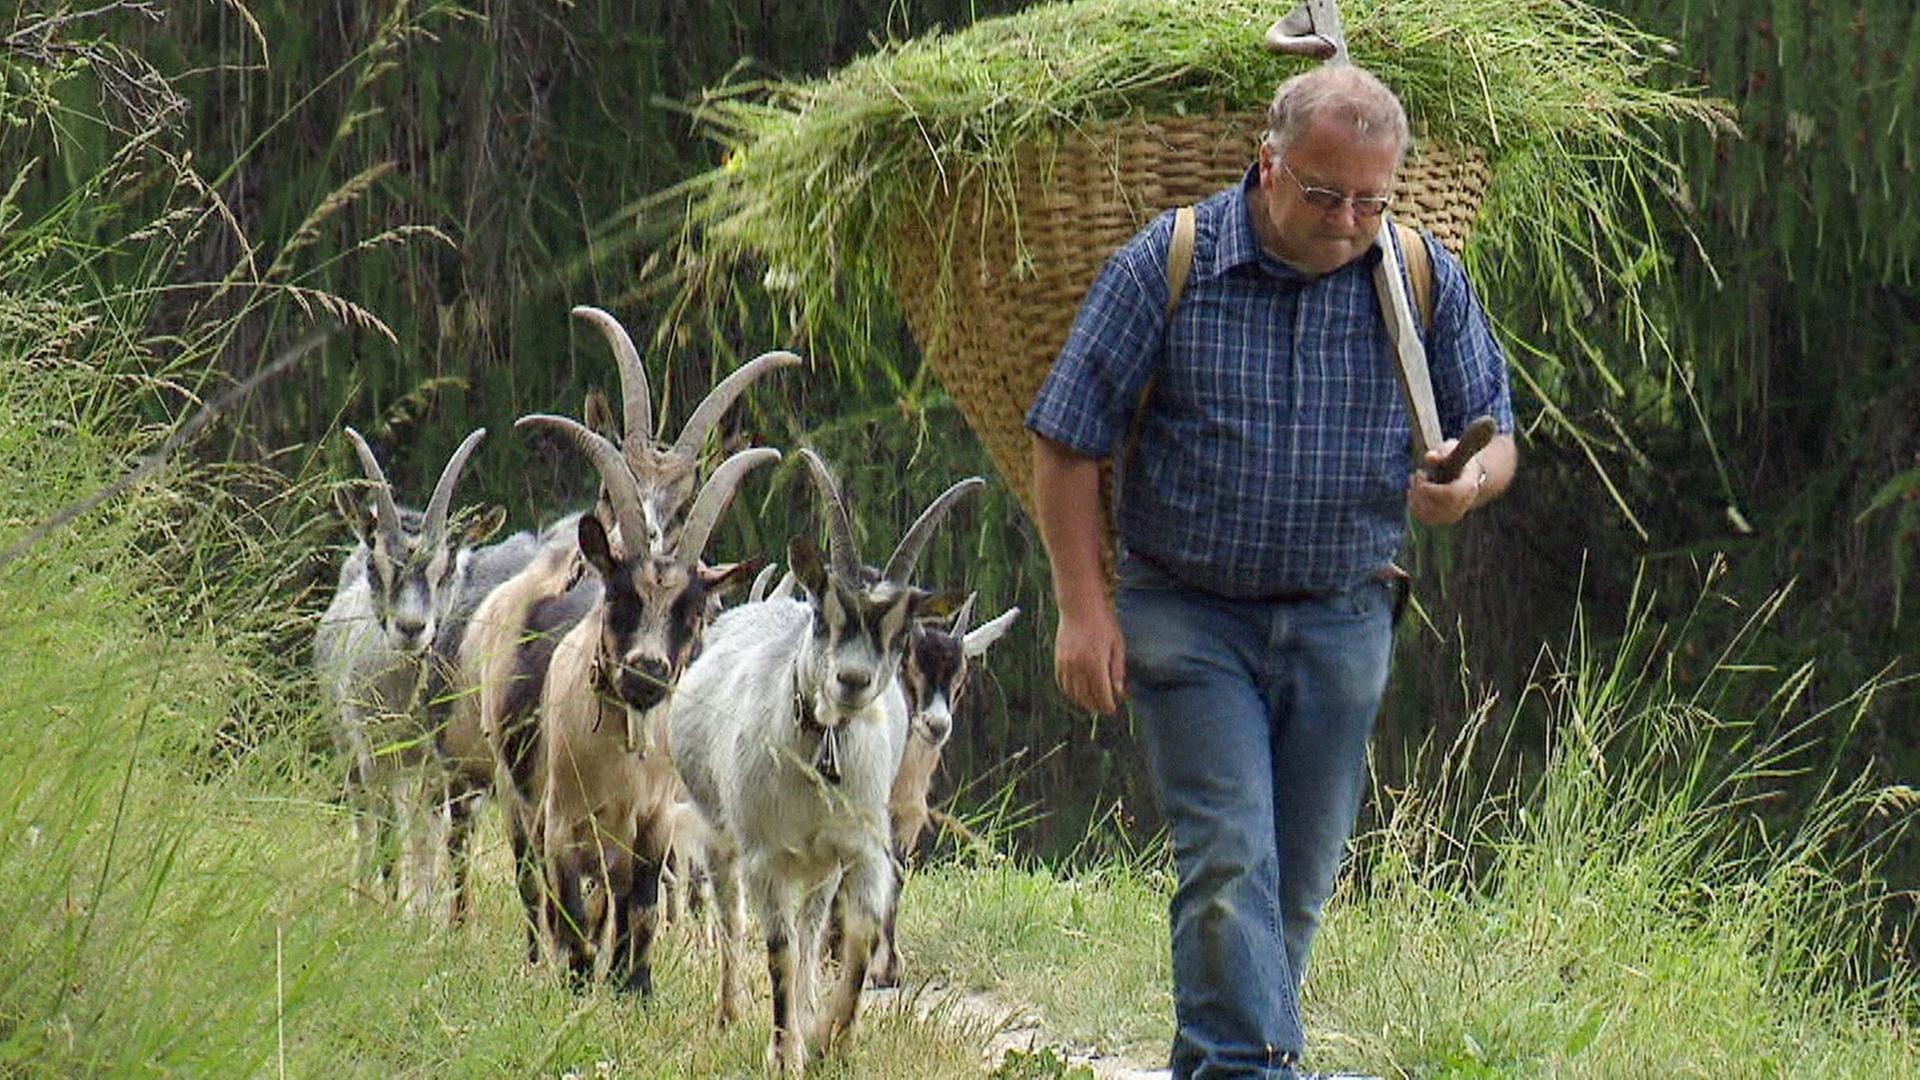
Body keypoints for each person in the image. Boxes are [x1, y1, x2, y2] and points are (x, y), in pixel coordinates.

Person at [1025, 64, 1517, 1079]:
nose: (1347, 221)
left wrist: (1462, 487)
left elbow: (1496, 434)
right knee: (1229, 857)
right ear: (1270, 163)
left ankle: (1232, 1060)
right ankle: (1246, 1070)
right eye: (1324, 194)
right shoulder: (1172, 261)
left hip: (1345, 615)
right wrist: (1082, 610)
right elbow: (1069, 440)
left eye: (1370, 201)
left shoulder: (1421, 277)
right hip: (1188, 614)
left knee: (1293, 882)